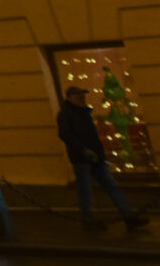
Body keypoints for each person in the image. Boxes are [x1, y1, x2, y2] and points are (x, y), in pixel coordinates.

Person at [57, 87, 145, 230]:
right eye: (79, 95)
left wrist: (97, 152)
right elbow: (65, 135)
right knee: (87, 189)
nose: (82, 97)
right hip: (82, 158)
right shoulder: (67, 114)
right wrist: (83, 149)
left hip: (95, 157)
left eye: (83, 94)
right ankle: (89, 220)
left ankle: (128, 216)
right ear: (70, 97)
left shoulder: (82, 112)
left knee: (109, 186)